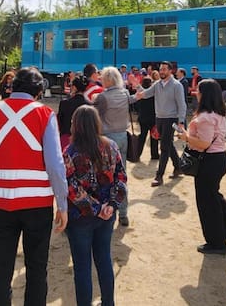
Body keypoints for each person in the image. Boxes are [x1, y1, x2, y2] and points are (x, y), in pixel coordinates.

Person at [0, 67, 68, 306]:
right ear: (39, 91)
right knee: (36, 268)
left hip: (1, 203)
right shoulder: (44, 114)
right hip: (38, 205)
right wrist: (62, 204)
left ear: (12, 87)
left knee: (1, 266)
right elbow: (55, 165)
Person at [63, 105, 127, 306]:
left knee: (82, 267)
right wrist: (111, 205)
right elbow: (121, 178)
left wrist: (98, 208)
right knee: (104, 260)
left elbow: (71, 187)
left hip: (81, 218)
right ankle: (108, 302)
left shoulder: (70, 152)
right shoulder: (111, 146)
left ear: (77, 125)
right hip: (106, 215)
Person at [176, 79, 226, 255]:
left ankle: (216, 242)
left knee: (207, 203)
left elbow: (204, 143)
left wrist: (185, 137)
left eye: (198, 91)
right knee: (215, 197)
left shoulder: (205, 117)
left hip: (209, 161)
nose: (196, 93)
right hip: (218, 158)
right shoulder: (218, 114)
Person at [135, 61, 186, 187]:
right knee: (167, 143)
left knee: (164, 147)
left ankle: (159, 176)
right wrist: (137, 87)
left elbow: (182, 104)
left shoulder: (177, 85)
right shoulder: (157, 84)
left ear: (171, 71)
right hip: (159, 118)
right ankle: (178, 166)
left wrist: (181, 122)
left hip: (171, 119)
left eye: (164, 69)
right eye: (161, 69)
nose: (162, 71)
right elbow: (146, 94)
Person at [92, 66, 132, 227]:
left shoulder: (102, 97)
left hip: (107, 139)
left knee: (106, 176)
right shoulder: (125, 93)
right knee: (122, 175)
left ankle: (108, 209)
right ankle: (123, 213)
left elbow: (93, 112)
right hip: (123, 136)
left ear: (108, 80)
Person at [57, 75, 90, 150]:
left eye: (71, 85)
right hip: (85, 141)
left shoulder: (64, 103)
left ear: (75, 88)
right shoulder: (89, 105)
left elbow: (60, 122)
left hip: (66, 139)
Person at [135, 76, 159, 161]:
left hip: (142, 118)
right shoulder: (153, 93)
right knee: (154, 137)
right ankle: (154, 155)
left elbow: (136, 105)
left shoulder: (140, 93)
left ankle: (137, 154)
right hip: (153, 118)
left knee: (142, 137)